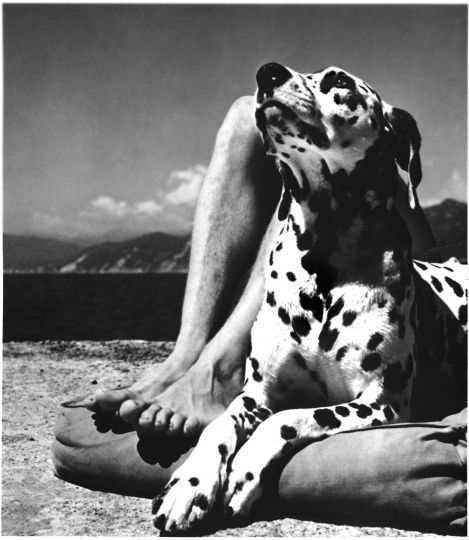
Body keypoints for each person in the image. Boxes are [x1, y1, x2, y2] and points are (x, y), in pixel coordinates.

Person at [54, 96, 466, 535]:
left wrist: (277, 432)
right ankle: (189, 357)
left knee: (318, 155)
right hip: (357, 265)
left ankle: (224, 367)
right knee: (243, 115)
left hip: (403, 269)